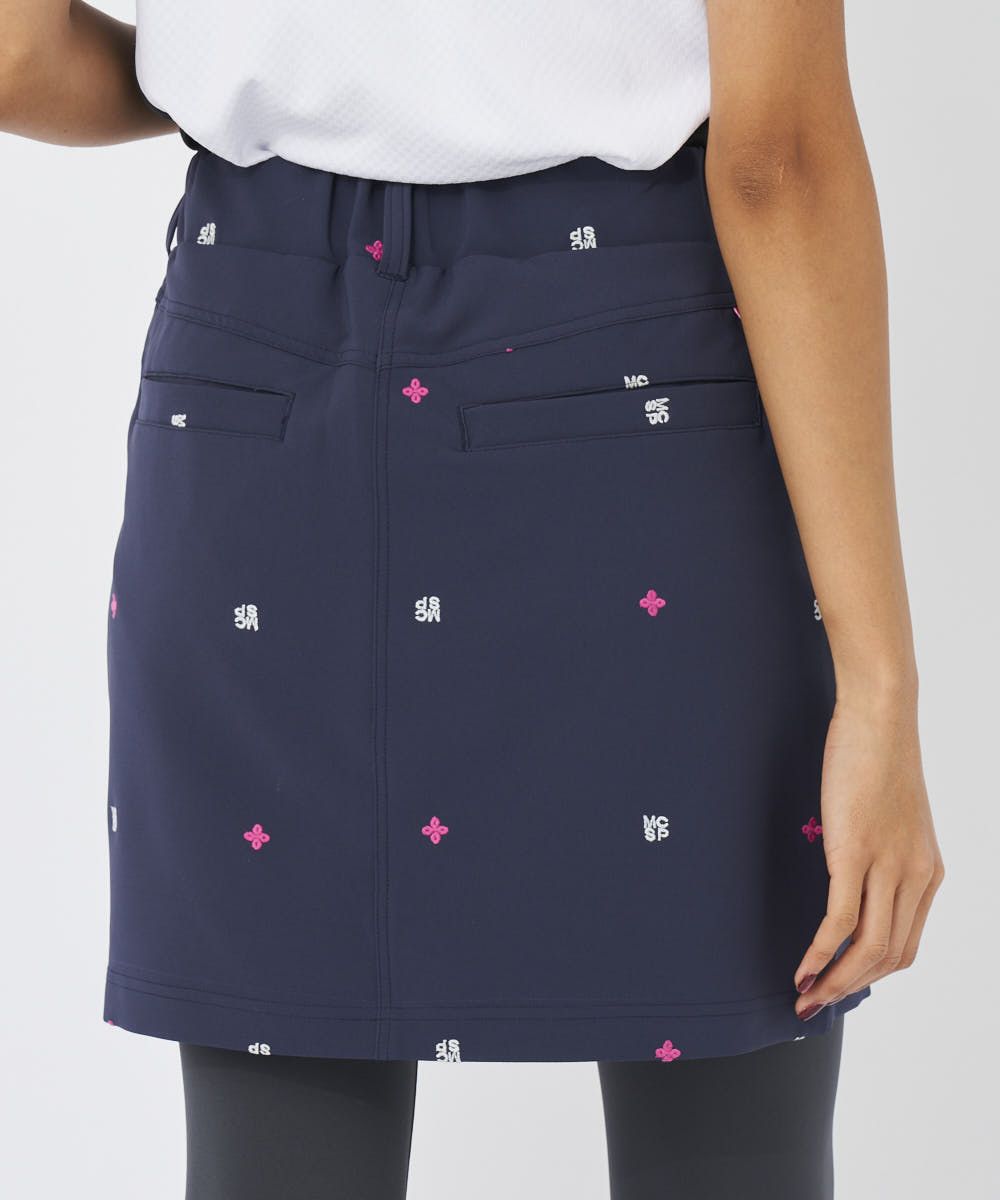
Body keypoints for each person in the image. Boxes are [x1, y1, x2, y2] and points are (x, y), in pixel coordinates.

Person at [1, 3, 945, 1198]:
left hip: (252, 361)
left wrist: (277, 78)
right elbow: (778, 161)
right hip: (634, 373)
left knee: (276, 1157)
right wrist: (878, 686)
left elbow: (16, 57)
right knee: (733, 1139)